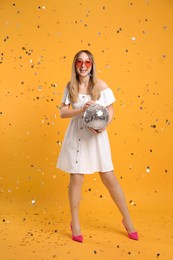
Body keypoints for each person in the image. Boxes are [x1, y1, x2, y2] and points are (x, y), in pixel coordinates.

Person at [57, 50, 138, 243]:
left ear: (92, 64)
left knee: (109, 178)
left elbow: (111, 111)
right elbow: (62, 112)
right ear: (75, 65)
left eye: (87, 62)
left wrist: (103, 127)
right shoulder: (71, 86)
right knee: (76, 179)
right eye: (79, 62)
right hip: (77, 136)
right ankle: (75, 223)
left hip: (96, 137)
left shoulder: (100, 85)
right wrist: (80, 110)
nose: (83, 65)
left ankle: (127, 220)